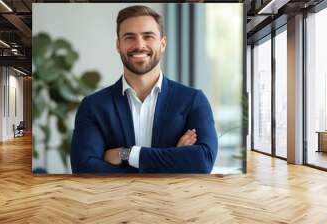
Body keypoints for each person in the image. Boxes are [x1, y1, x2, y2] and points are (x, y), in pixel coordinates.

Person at [70, 5, 217, 173]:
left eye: (148, 36)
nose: (139, 45)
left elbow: (203, 162)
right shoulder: (93, 106)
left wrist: (126, 154)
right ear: (118, 45)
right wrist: (174, 159)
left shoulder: (193, 100)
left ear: (163, 43)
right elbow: (84, 169)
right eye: (129, 37)